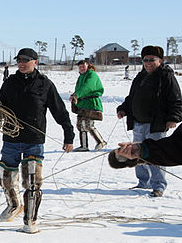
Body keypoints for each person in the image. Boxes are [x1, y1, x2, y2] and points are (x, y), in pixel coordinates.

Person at [0, 48, 74, 233]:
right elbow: (1, 109)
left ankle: (30, 221)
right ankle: (14, 205)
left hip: (34, 139)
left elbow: (59, 111)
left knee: (32, 179)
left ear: (35, 62)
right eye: (19, 60)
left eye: (26, 60)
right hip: (11, 137)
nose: (22, 63)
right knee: (4, 176)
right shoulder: (10, 82)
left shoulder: (45, 84)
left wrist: (68, 135)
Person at [115, 45, 182, 197]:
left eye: (152, 60)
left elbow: (176, 99)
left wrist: (173, 117)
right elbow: (132, 97)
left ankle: (158, 185)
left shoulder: (166, 76)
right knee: (136, 153)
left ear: (160, 60)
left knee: (156, 155)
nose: (148, 63)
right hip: (139, 123)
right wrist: (123, 108)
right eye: (145, 60)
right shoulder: (140, 77)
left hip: (156, 124)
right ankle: (143, 182)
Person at [71, 60, 106, 151]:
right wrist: (74, 96)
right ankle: (84, 146)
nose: (82, 68)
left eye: (83, 66)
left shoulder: (92, 75)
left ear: (88, 66)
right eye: (80, 67)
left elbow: (88, 87)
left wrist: (77, 95)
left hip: (91, 103)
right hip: (82, 104)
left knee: (88, 124)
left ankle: (101, 141)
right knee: (80, 124)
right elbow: (79, 89)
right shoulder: (81, 77)